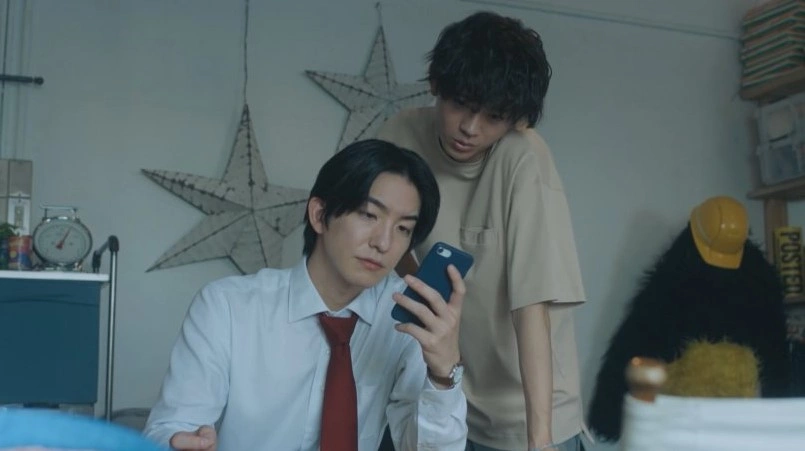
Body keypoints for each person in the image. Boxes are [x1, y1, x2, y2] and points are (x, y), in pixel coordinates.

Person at [143, 139, 468, 450]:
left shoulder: (406, 316)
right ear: (319, 215)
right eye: (369, 215)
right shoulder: (227, 307)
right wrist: (180, 443)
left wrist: (443, 376)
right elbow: (170, 427)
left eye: (403, 228)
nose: (383, 243)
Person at [378, 11, 587, 451]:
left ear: (517, 120)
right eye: (460, 105)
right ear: (436, 83)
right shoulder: (400, 135)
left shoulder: (523, 157)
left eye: (493, 116)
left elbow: (531, 306)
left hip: (527, 412)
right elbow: (379, 236)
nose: (470, 129)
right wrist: (422, 293)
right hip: (444, 394)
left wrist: (540, 440)